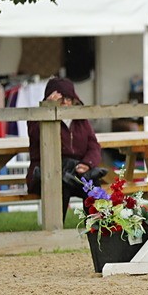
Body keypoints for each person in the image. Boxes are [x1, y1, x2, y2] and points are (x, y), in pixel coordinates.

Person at [26, 77, 107, 218]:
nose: (65, 103)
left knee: (92, 183)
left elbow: (94, 147)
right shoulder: (37, 119)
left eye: (68, 99)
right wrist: (47, 109)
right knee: (61, 184)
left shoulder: (81, 120)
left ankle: (96, 229)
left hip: (76, 171)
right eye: (60, 99)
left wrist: (86, 164)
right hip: (45, 172)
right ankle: (56, 234)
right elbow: (35, 135)